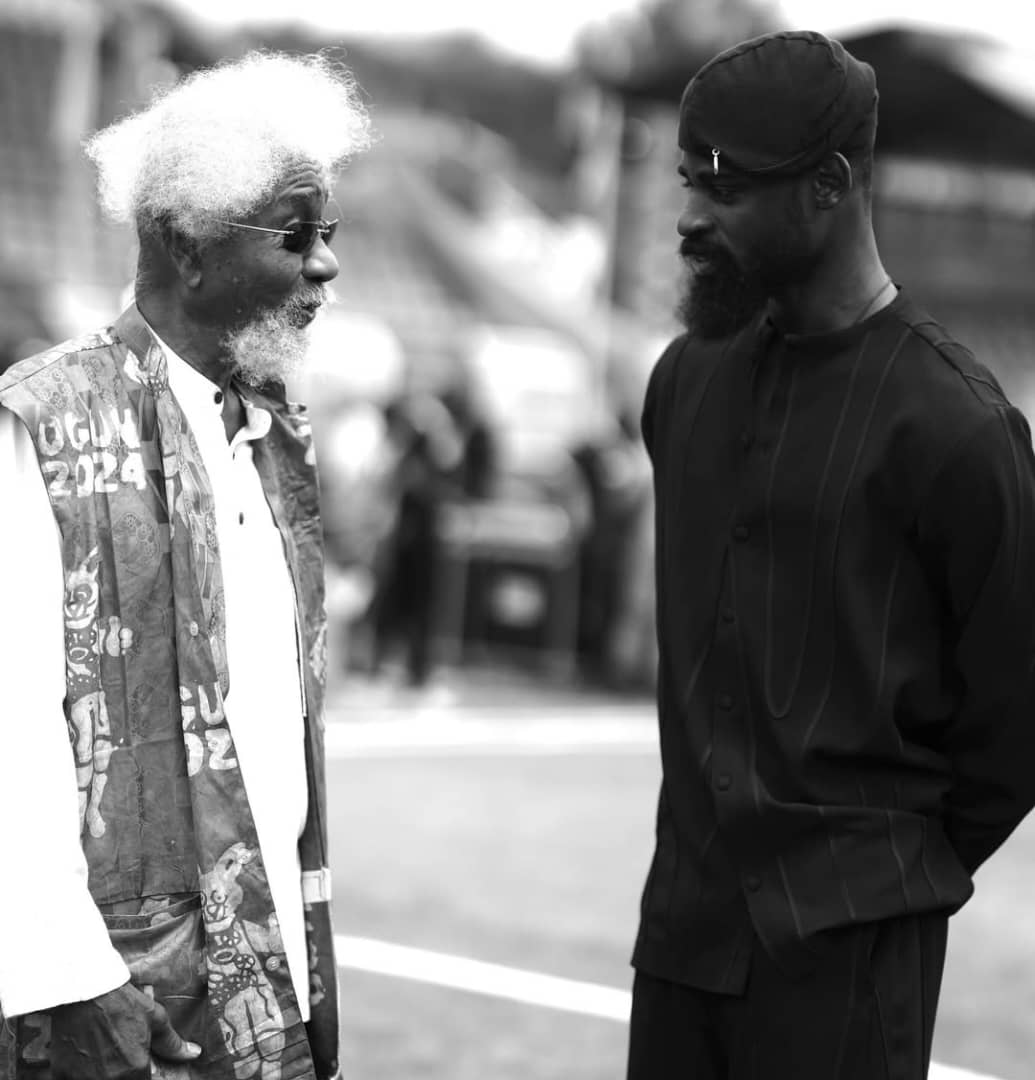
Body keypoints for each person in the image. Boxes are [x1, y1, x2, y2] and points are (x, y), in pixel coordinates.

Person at [629, 29, 1035, 1080]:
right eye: (688, 179)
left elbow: (1015, 720)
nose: (690, 215)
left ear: (830, 185)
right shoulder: (684, 382)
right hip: (682, 939)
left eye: (725, 188)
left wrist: (878, 876)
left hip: (851, 959)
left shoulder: (957, 426)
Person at [0, 51, 371, 1080]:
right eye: (294, 235)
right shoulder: (43, 421)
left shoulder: (273, 434)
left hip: (260, 970)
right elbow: (5, 723)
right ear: (186, 247)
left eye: (328, 235)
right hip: (101, 991)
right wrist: (65, 977)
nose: (325, 265)